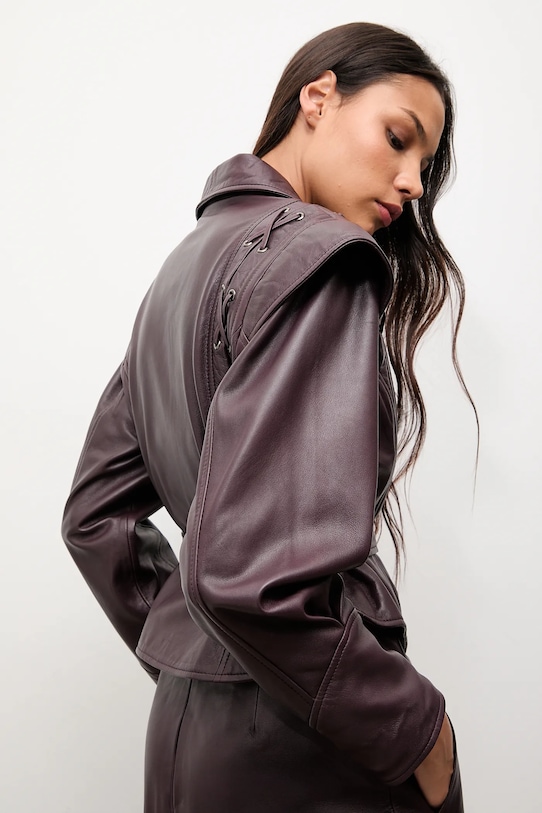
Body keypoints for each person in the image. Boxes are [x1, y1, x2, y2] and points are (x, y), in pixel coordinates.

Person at [62, 21, 469, 813]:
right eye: (398, 138)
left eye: (424, 165)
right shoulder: (321, 259)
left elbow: (92, 517)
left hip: (187, 738)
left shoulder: (183, 269)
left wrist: (203, 653)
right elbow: (246, 582)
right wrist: (415, 728)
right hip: (307, 750)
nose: (413, 182)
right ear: (318, 98)